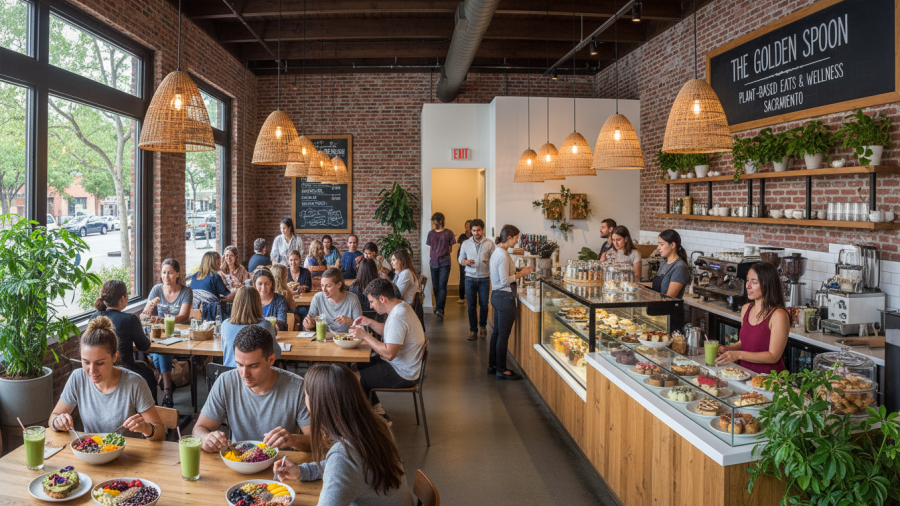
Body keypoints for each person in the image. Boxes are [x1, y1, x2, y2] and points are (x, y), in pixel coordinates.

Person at [273, 363, 415, 506]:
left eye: (306, 395)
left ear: (317, 404)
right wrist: (303, 471)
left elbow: (342, 465)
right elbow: (343, 468)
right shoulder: (375, 424)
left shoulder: (344, 455)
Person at [194, 325, 311, 451]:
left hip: (282, 462)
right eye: (239, 365)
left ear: (271, 360)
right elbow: (199, 429)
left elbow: (316, 440)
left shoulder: (298, 387)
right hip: (238, 459)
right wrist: (206, 438)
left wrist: (293, 440)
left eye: (253, 366)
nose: (244, 374)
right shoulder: (225, 382)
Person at [50, 317, 164, 440]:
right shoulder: (77, 378)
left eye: (99, 363)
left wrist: (147, 428)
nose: (92, 370)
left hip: (127, 451)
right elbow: (54, 416)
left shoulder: (135, 383)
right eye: (86, 362)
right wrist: (57, 421)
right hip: (91, 449)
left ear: (114, 356)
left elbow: (160, 434)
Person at [351, 278, 426, 419]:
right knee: (354, 367)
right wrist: (369, 322)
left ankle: (371, 419)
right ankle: (377, 409)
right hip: (402, 365)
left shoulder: (397, 316)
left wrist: (365, 336)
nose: (371, 306)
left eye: (372, 302)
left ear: (382, 299)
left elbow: (389, 353)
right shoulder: (401, 305)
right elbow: (391, 332)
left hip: (402, 373)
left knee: (353, 378)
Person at [91, 280, 156, 403]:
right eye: (127, 295)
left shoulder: (94, 317)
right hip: (124, 371)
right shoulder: (129, 319)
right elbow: (144, 346)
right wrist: (147, 336)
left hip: (101, 371)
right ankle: (151, 410)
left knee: (141, 364)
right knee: (148, 373)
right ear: (123, 298)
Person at [717, 262, 789, 374]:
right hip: (744, 374)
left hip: (769, 379)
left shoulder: (778, 315)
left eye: (754, 282)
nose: (748, 286)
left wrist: (738, 355)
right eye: (747, 280)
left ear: (767, 285)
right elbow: (744, 343)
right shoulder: (746, 309)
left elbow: (773, 356)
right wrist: (728, 349)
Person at [142, 258, 193, 408]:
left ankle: (167, 390)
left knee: (162, 351)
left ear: (177, 274)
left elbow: (183, 316)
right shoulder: (156, 289)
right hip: (161, 335)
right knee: (160, 349)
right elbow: (144, 316)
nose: (166, 276)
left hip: (180, 335)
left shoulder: (186, 291)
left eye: (170, 273)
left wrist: (163, 319)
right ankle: (168, 386)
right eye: (164, 272)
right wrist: (149, 310)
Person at [490, 225, 533, 380]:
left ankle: (493, 365)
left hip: (497, 296)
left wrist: (519, 270)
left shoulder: (498, 252)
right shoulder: (502, 255)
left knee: (496, 333)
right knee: (503, 335)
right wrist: (522, 273)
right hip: (504, 297)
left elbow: (504, 273)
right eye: (516, 238)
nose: (517, 241)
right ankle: (501, 370)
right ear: (509, 237)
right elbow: (504, 280)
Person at [221, 287, 279, 367]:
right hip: (256, 373)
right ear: (258, 304)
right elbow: (277, 353)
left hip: (228, 373)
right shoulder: (265, 325)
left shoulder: (225, 324)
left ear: (236, 303)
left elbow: (225, 350)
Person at [458, 219, 494, 340]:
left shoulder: (489, 243)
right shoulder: (465, 243)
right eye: (474, 230)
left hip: (484, 278)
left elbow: (495, 259)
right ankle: (473, 330)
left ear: (483, 230)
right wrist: (465, 262)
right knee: (471, 305)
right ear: (470, 230)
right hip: (470, 278)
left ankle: (483, 326)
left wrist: (489, 262)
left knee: (484, 304)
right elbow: (460, 259)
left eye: (478, 230)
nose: (476, 233)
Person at [303, 267, 362, 333]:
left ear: (339, 285)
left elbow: (361, 327)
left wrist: (349, 321)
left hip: (346, 338)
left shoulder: (352, 299)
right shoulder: (317, 298)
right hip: (323, 337)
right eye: (322, 285)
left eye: (328, 286)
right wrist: (308, 324)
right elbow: (310, 326)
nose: (324, 290)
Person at [425, 212, 456, 320]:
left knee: (442, 285)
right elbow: (431, 247)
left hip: (444, 263)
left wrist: (442, 253)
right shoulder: (431, 233)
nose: (434, 223)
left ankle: (440, 310)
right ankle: (439, 308)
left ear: (441, 221)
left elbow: (450, 248)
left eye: (435, 221)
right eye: (433, 221)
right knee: (436, 286)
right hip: (433, 263)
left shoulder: (448, 233)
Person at [653, 229, 691, 298]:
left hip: (667, 305)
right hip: (657, 303)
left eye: (662, 244)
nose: (658, 248)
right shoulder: (663, 263)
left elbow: (669, 298)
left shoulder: (679, 267)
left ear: (673, 245)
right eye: (659, 244)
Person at [456, 220, 472, 305]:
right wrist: (460, 259)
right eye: (466, 225)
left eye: (469, 225)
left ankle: (471, 296)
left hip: (472, 259)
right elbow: (458, 247)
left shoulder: (474, 236)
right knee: (463, 276)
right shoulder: (462, 236)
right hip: (463, 259)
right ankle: (461, 297)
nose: (467, 227)